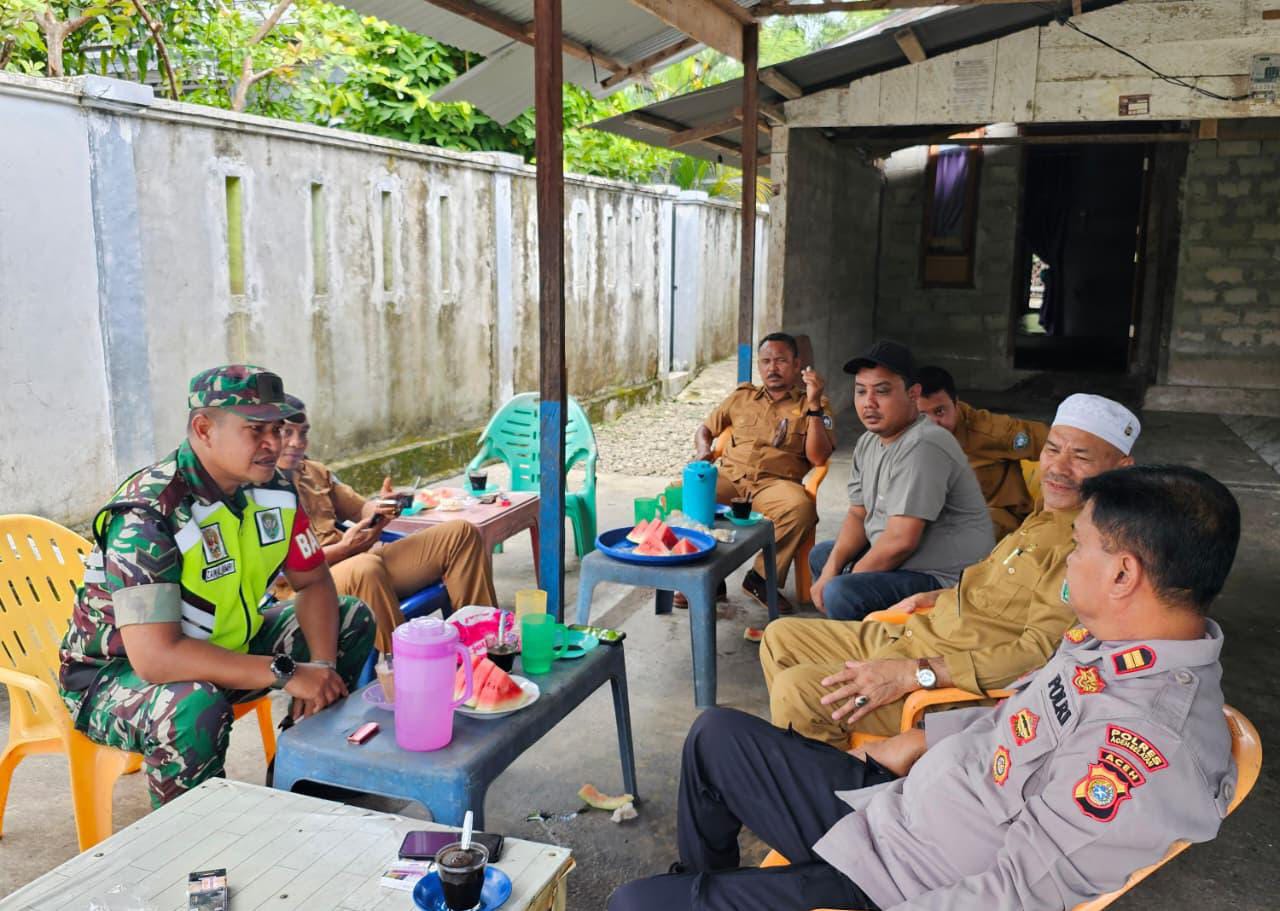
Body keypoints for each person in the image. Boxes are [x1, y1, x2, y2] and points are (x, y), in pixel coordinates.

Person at [610, 464, 1241, 911]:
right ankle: (704, 887)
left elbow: (1020, 894)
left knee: (634, 904)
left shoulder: (1140, 742)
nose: (1069, 564)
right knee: (715, 735)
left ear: (1124, 573)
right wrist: (917, 737)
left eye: (1078, 549)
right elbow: (1014, 717)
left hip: (900, 883)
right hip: (896, 808)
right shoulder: (1112, 647)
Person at [58, 366, 375, 807]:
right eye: (255, 430)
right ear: (204, 429)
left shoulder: (275, 490)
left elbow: (315, 583)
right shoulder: (150, 512)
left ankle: (303, 784)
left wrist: (320, 664)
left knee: (349, 617)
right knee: (194, 707)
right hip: (114, 677)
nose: (274, 443)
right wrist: (288, 672)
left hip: (226, 648)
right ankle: (194, 841)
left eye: (278, 429)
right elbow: (155, 658)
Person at [764, 392, 1140, 745]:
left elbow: (1037, 655)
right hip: (921, 633)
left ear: (1122, 469)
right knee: (779, 637)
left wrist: (915, 673)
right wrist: (935, 595)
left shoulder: (1088, 546)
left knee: (798, 691)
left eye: (1081, 457)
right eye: (1053, 450)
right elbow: (1001, 590)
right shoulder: (1047, 514)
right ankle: (830, 758)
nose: (1058, 468)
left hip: (947, 682)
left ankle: (839, 784)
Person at [274, 395, 498, 652]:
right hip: (311, 586)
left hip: (360, 561)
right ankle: (406, 673)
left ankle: (483, 648)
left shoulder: (314, 472)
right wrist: (345, 548)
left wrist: (382, 507)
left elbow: (361, 509)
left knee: (461, 534)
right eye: (286, 432)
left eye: (303, 433)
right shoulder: (258, 490)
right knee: (365, 566)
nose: (297, 442)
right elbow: (285, 574)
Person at [810, 340, 992, 621]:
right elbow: (859, 515)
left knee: (841, 592)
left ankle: (863, 654)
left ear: (913, 394)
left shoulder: (924, 444)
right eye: (861, 391)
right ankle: (867, 630)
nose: (868, 403)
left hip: (944, 579)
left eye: (882, 391)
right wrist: (833, 570)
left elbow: (900, 542)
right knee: (824, 557)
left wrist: (841, 581)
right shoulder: (869, 442)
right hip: (906, 562)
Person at [684, 332, 835, 613]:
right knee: (692, 497)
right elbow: (705, 429)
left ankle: (761, 578)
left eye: (780, 361)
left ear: (797, 364)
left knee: (800, 508)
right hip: (730, 478)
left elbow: (818, 456)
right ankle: (708, 579)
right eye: (765, 361)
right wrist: (703, 450)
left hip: (775, 485)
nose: (772, 368)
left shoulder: (815, 404)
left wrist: (813, 405)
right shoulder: (742, 396)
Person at [917, 365, 1050, 539]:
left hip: (994, 516)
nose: (932, 424)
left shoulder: (990, 432)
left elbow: (1053, 441)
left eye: (940, 411)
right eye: (922, 416)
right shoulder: (904, 432)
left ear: (955, 404)